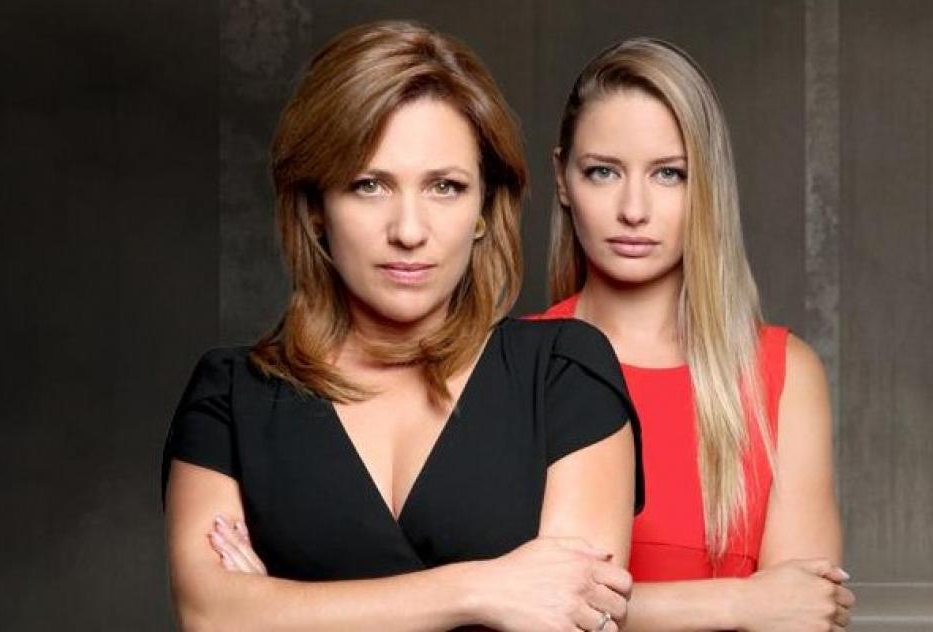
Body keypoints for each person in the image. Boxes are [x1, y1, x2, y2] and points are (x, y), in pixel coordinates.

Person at [162, 21, 642, 632]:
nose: (409, 231)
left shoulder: (564, 374)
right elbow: (211, 616)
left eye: (445, 186)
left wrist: (283, 610)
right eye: (369, 186)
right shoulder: (230, 395)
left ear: (483, 209)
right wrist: (480, 589)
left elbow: (573, 616)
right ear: (315, 207)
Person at [530, 38, 856, 631]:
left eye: (669, 174)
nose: (634, 209)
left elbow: (805, 614)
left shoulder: (782, 373)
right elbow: (499, 606)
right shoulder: (504, 363)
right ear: (562, 178)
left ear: (708, 185)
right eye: (603, 172)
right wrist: (740, 602)